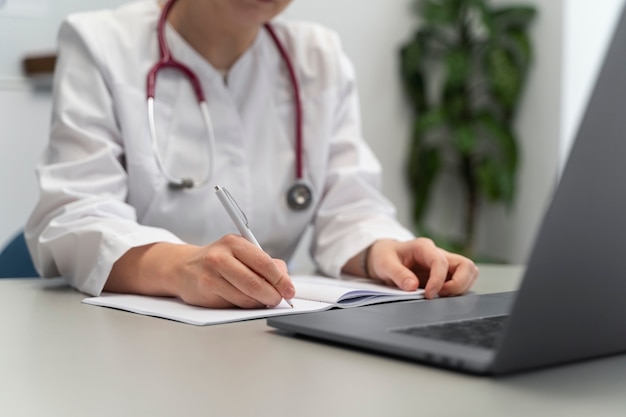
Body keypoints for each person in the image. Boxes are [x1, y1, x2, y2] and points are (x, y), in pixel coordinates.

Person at [25, 0, 478, 309]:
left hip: (269, 336)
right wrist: (182, 268)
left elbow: (351, 208)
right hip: (122, 344)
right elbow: (75, 217)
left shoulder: (318, 56)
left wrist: (384, 250)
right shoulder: (102, 44)